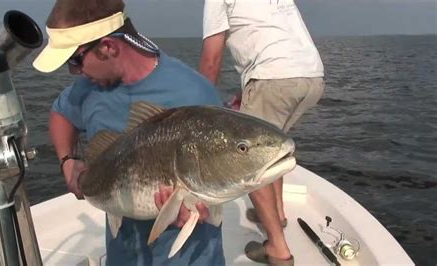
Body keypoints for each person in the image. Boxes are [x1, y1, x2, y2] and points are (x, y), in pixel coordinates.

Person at [32, 0, 225, 265]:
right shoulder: (88, 88)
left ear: (108, 47)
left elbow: (218, 180)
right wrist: (67, 161)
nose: (73, 71)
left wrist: (199, 208)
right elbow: (60, 113)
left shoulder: (195, 94)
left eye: (76, 60)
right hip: (122, 255)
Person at [199, 0, 325, 264]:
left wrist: (199, 113)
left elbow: (211, 61)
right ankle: (277, 214)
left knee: (249, 163)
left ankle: (277, 248)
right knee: (269, 149)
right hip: (311, 77)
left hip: (273, 76)